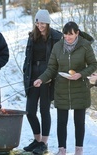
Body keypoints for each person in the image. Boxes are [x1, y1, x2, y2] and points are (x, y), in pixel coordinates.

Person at [33, 21, 97, 155]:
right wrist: (41, 79)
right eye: (65, 34)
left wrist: (80, 74)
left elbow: (92, 65)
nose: (67, 37)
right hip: (61, 88)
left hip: (80, 88)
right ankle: (62, 151)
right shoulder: (57, 47)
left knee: (79, 122)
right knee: (61, 122)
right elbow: (51, 68)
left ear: (77, 33)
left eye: (71, 35)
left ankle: (78, 151)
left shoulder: (85, 46)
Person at [22, 9, 62, 154]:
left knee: (44, 110)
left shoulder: (57, 37)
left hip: (48, 77)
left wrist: (53, 76)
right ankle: (37, 140)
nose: (40, 25)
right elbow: (28, 58)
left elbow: (60, 60)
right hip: (33, 75)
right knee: (30, 111)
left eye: (43, 23)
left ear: (48, 22)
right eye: (38, 22)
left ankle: (44, 143)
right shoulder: (32, 36)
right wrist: (26, 74)